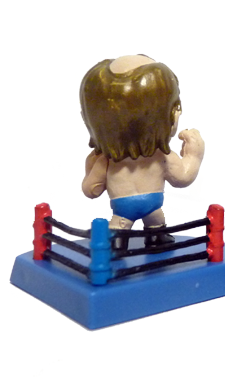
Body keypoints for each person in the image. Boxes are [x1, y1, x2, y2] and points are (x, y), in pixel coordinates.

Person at [80, 54, 205, 247]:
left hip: (123, 208)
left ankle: (119, 242)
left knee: (120, 226)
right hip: (153, 204)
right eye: (175, 108)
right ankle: (156, 237)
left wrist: (91, 168)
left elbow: (91, 190)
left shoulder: (106, 162)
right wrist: (193, 155)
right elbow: (183, 178)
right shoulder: (163, 157)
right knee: (155, 221)